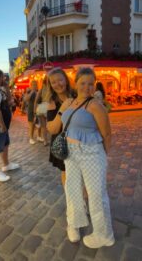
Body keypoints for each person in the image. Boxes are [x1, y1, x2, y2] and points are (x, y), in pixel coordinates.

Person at [56, 67, 115, 249]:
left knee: (96, 195)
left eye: (91, 84)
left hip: (91, 153)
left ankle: (104, 234)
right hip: (71, 154)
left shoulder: (96, 105)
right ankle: (73, 224)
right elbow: (56, 125)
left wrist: (102, 157)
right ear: (75, 83)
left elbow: (107, 134)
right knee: (72, 190)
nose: (87, 87)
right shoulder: (71, 102)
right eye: (83, 83)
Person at [46, 68, 73, 188]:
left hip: (79, 141)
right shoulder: (51, 103)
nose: (58, 84)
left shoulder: (77, 95)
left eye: (60, 80)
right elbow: (53, 129)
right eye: (53, 82)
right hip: (63, 144)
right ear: (51, 85)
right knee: (66, 173)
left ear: (66, 80)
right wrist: (62, 109)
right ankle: (71, 203)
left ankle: (83, 199)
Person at [34, 76, 49, 146]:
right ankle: (46, 140)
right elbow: (36, 100)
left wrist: (34, 110)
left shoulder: (42, 88)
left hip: (42, 108)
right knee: (46, 126)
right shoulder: (52, 88)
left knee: (44, 126)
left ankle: (45, 140)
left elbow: (36, 100)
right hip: (49, 107)